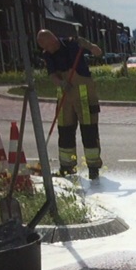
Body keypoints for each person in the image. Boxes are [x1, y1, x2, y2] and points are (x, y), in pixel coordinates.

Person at [36, 29, 104, 180]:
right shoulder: (48, 55)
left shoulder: (73, 44)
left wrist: (90, 46)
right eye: (44, 48)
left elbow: (97, 52)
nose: (47, 50)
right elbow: (52, 75)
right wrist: (61, 83)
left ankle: (93, 168)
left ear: (53, 40)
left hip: (85, 96)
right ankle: (67, 167)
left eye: (48, 46)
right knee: (65, 131)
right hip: (65, 97)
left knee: (89, 131)